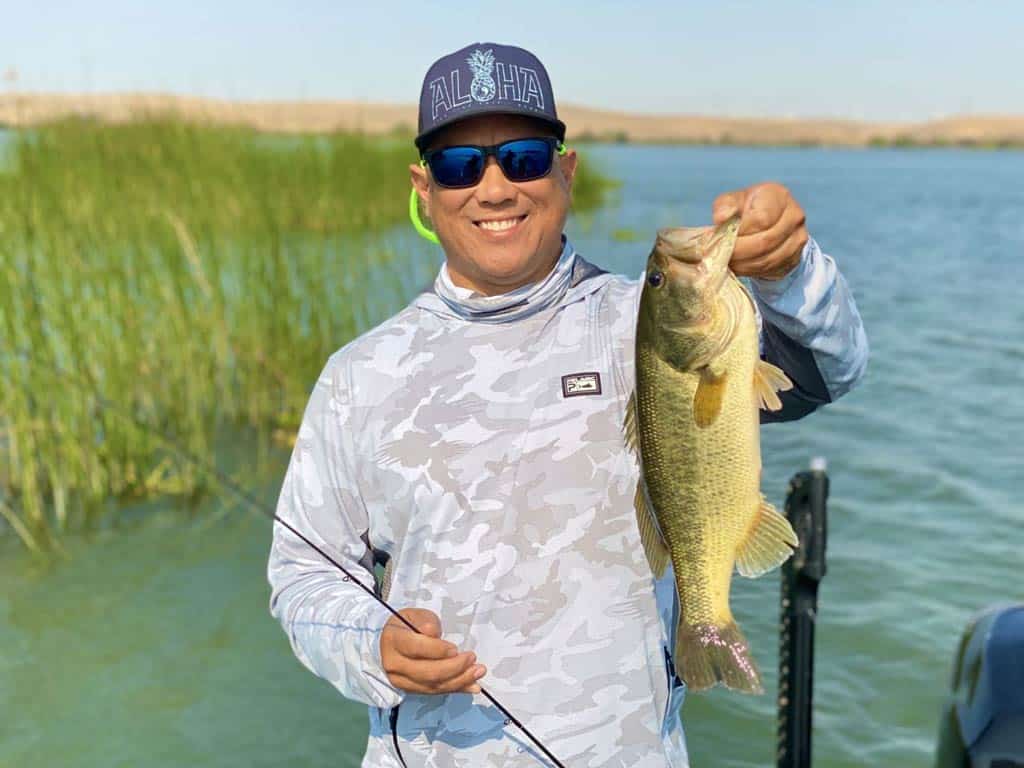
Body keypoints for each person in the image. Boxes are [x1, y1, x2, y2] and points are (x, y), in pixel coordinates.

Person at [268, 42, 868, 768]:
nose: (494, 189)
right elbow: (304, 577)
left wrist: (788, 271)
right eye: (461, 166)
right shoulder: (358, 375)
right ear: (424, 189)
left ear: (567, 172)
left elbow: (826, 369)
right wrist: (373, 645)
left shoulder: (640, 324)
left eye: (522, 157)